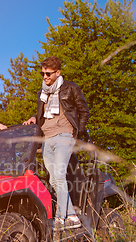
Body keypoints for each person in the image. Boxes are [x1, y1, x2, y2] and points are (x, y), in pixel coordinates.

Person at [23, 56, 89, 231]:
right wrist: (34, 118)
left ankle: (61, 217)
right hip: (47, 137)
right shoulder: (42, 93)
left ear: (57, 72)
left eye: (48, 73)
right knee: (53, 179)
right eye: (42, 73)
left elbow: (83, 110)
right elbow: (42, 115)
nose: (44, 77)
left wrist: (77, 133)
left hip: (64, 135)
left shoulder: (71, 88)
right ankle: (72, 216)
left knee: (59, 176)